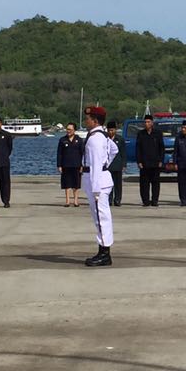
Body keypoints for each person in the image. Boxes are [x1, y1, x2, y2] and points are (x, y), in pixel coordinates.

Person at [81, 105, 119, 266]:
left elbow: (96, 164)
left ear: (94, 120)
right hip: (100, 178)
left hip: (97, 182)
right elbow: (114, 149)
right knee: (100, 217)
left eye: (88, 119)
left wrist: (96, 187)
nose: (86, 121)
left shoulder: (96, 139)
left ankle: (105, 253)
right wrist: (106, 164)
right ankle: (103, 250)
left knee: (101, 218)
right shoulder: (101, 136)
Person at [135, 115, 165, 207]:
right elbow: (138, 149)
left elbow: (161, 148)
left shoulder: (158, 133)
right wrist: (139, 161)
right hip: (144, 163)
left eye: (148, 122)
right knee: (144, 184)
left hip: (155, 162)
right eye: (145, 122)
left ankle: (155, 200)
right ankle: (146, 201)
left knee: (155, 183)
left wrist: (160, 160)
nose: (146, 124)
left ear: (152, 123)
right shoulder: (141, 134)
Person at [56, 123, 84, 207]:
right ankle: (67, 201)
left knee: (76, 184)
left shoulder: (79, 140)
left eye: (70, 129)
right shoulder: (62, 140)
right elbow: (59, 153)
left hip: (77, 165)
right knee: (67, 183)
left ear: (74, 130)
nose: (68, 131)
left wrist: (82, 165)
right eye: (67, 129)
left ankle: (76, 201)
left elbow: (83, 153)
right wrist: (59, 165)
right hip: (66, 165)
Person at [106, 121, 127, 207]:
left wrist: (124, 164)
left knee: (118, 184)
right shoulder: (105, 139)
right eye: (109, 130)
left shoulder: (120, 139)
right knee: (108, 184)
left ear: (115, 130)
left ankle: (117, 199)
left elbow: (124, 153)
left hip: (118, 164)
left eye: (112, 130)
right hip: (108, 165)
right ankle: (109, 200)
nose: (111, 132)